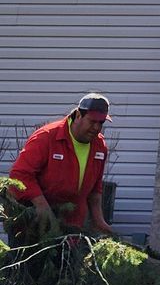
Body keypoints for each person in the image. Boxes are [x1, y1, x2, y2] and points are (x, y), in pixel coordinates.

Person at [3, 94, 114, 246]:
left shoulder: (100, 146)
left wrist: (99, 220)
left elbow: (95, 189)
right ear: (78, 115)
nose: (96, 127)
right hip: (33, 223)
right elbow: (20, 175)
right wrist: (42, 206)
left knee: (67, 266)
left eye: (100, 123)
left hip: (72, 226)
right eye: (92, 121)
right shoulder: (47, 137)